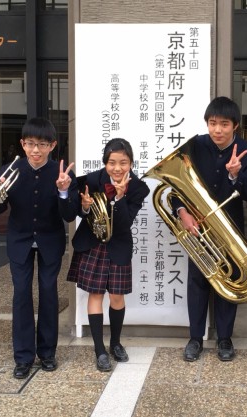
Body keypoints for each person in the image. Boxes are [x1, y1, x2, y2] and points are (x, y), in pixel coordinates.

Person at [0, 117, 78, 379]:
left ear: (53, 145)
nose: (36, 150)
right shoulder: (9, 170)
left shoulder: (63, 175)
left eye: (43, 144)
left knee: (48, 293)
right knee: (21, 295)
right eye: (31, 144)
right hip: (20, 241)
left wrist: (63, 192)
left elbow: (70, 215)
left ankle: (47, 353)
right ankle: (23, 357)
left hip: (50, 241)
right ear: (23, 144)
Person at [176, 96, 247, 363]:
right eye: (213, 123)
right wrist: (182, 213)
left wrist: (236, 175)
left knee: (228, 282)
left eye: (224, 124)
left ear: (235, 126)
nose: (217, 130)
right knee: (197, 282)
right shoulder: (194, 146)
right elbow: (178, 185)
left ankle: (225, 339)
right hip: (198, 229)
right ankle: (194, 339)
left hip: (230, 230)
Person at [64, 138, 149, 372]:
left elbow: (125, 224)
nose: (117, 168)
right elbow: (73, 209)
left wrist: (120, 198)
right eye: (112, 162)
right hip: (93, 245)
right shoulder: (92, 180)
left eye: (123, 162)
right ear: (105, 163)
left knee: (117, 298)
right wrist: (85, 207)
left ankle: (115, 343)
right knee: (95, 295)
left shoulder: (138, 188)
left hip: (118, 244)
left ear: (131, 163)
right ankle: (99, 350)